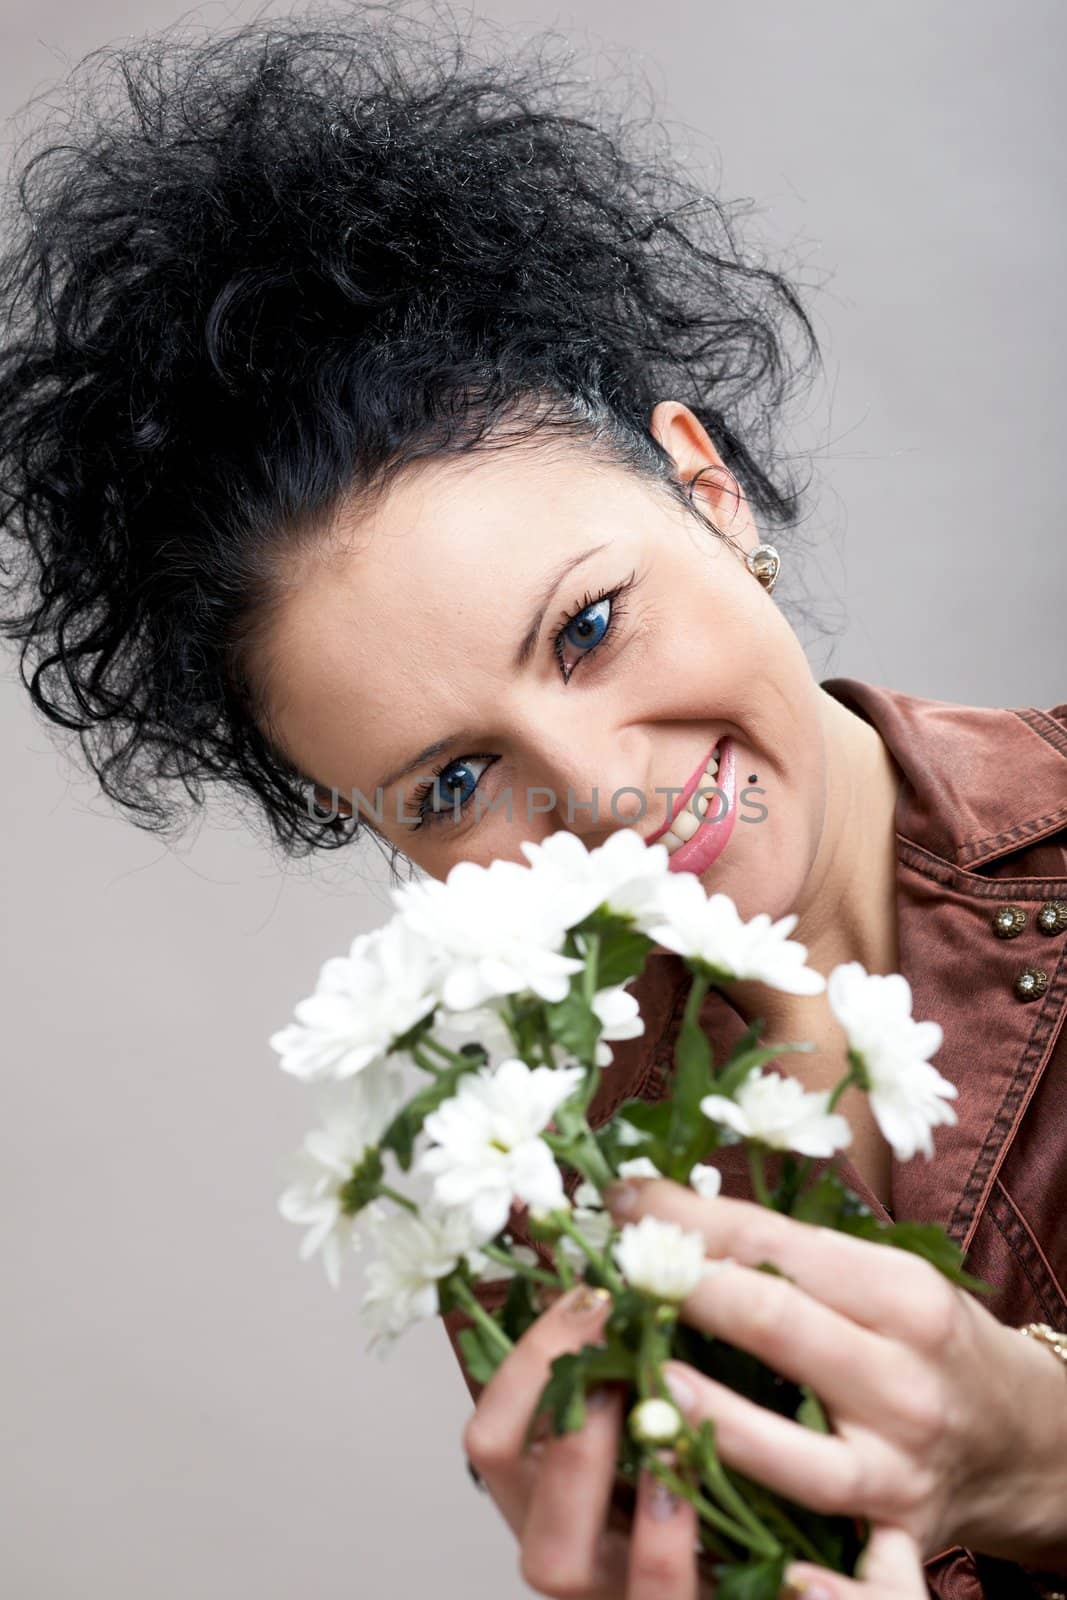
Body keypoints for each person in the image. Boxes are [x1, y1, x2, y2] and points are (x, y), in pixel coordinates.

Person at [0, 9, 1064, 1599]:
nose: (595, 793)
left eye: (587, 626)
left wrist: (1044, 1455)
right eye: (451, 780)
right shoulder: (533, 1198)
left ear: (707, 491)